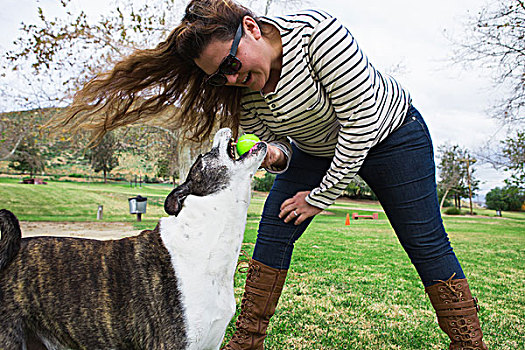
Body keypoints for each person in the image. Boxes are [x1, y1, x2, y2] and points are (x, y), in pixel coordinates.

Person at [52, 0, 488, 349]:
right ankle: (247, 339)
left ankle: (469, 344)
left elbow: (360, 125)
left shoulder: (319, 35)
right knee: (273, 233)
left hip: (392, 136)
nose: (233, 77)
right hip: (316, 149)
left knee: (425, 240)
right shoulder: (243, 88)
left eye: (230, 63)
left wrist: (317, 198)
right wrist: (274, 156)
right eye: (220, 76)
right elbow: (271, 140)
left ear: (252, 27)